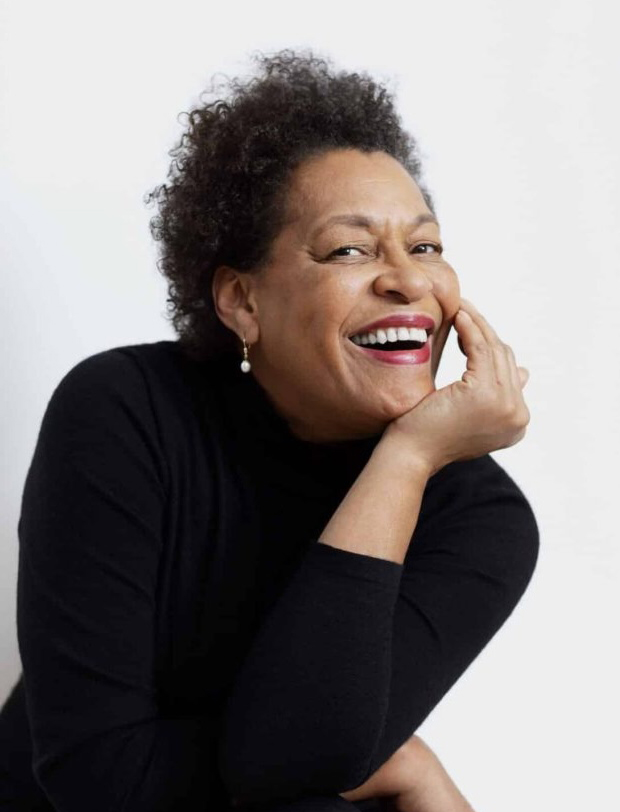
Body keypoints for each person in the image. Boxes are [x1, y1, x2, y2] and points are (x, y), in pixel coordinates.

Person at [0, 50, 539, 812]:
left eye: (425, 247)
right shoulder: (125, 413)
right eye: (350, 249)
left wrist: (406, 460)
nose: (409, 280)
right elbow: (102, 781)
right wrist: (403, 763)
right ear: (242, 301)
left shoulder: (482, 520)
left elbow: (295, 759)